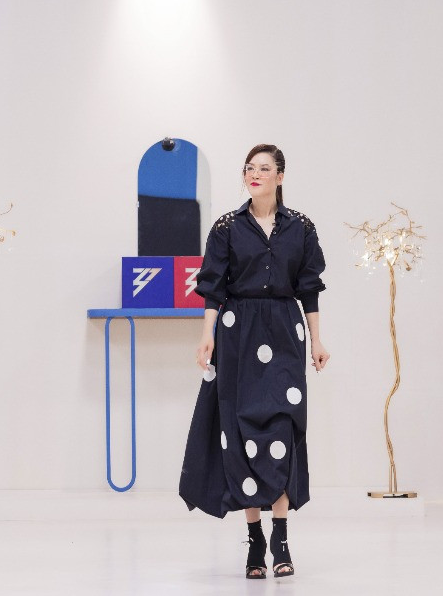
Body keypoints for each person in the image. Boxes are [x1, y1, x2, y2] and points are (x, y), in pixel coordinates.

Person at [179, 144, 329, 579]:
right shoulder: (228, 227)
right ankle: (255, 540)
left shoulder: (301, 228)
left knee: (281, 427)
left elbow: (309, 288)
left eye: (264, 168)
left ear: (280, 176)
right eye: (249, 168)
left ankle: (280, 537)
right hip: (237, 334)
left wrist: (317, 340)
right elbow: (212, 288)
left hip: (284, 331)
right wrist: (207, 334)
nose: (254, 174)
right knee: (240, 432)